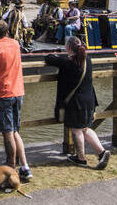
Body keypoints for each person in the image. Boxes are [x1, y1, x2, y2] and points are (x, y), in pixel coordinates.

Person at [45, 37, 109, 169]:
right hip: (89, 100)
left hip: (76, 103)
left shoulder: (67, 62)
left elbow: (49, 58)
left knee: (76, 130)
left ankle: (81, 158)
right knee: (85, 128)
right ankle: (102, 152)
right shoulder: (87, 60)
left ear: (68, 47)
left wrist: (57, 53)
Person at [0, 20, 32, 181]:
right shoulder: (15, 44)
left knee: (7, 133)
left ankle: (11, 168)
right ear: (7, 32)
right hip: (18, 91)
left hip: (4, 93)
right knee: (15, 131)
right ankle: (25, 166)